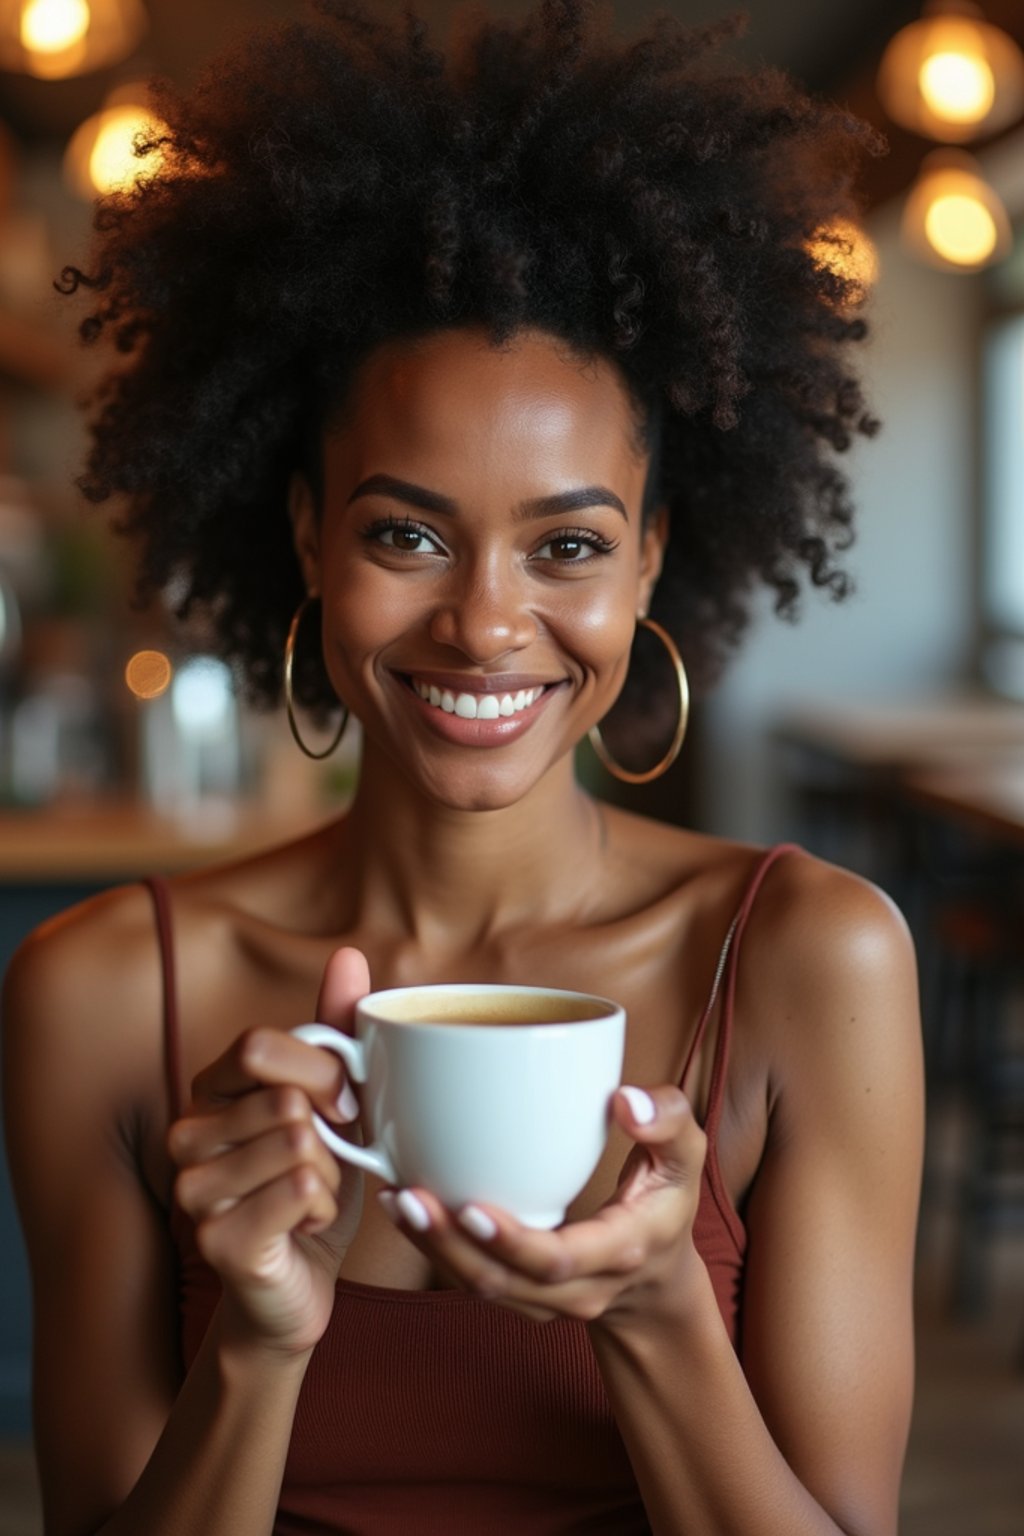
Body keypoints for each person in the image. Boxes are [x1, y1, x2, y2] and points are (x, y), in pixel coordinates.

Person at [2, 3, 924, 1533]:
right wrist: (260, 1344)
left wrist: (654, 1315)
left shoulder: (806, 962)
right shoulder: (100, 995)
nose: (488, 622)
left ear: (653, 563)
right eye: (406, 533)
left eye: (568, 544)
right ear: (306, 533)